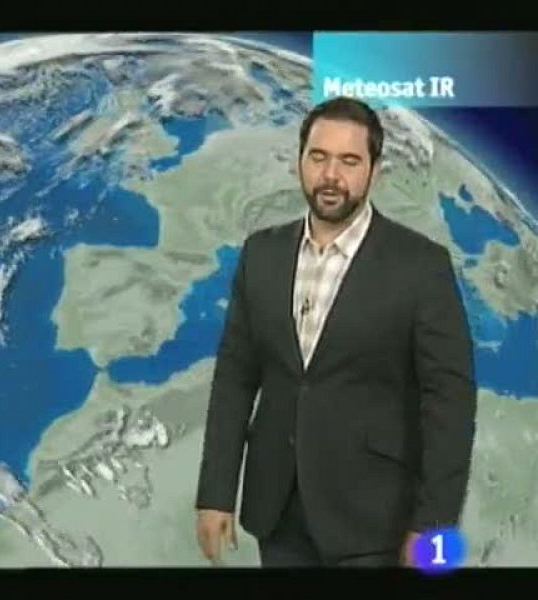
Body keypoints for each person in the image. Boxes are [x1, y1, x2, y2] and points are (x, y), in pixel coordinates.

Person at [194, 96, 477, 568]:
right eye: (319, 157)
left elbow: (450, 402)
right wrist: (216, 494)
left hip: (376, 523)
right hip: (278, 514)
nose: (331, 175)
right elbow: (235, 378)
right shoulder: (261, 254)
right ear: (299, 162)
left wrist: (433, 525)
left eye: (349, 161)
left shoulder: (421, 266)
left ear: (374, 171)